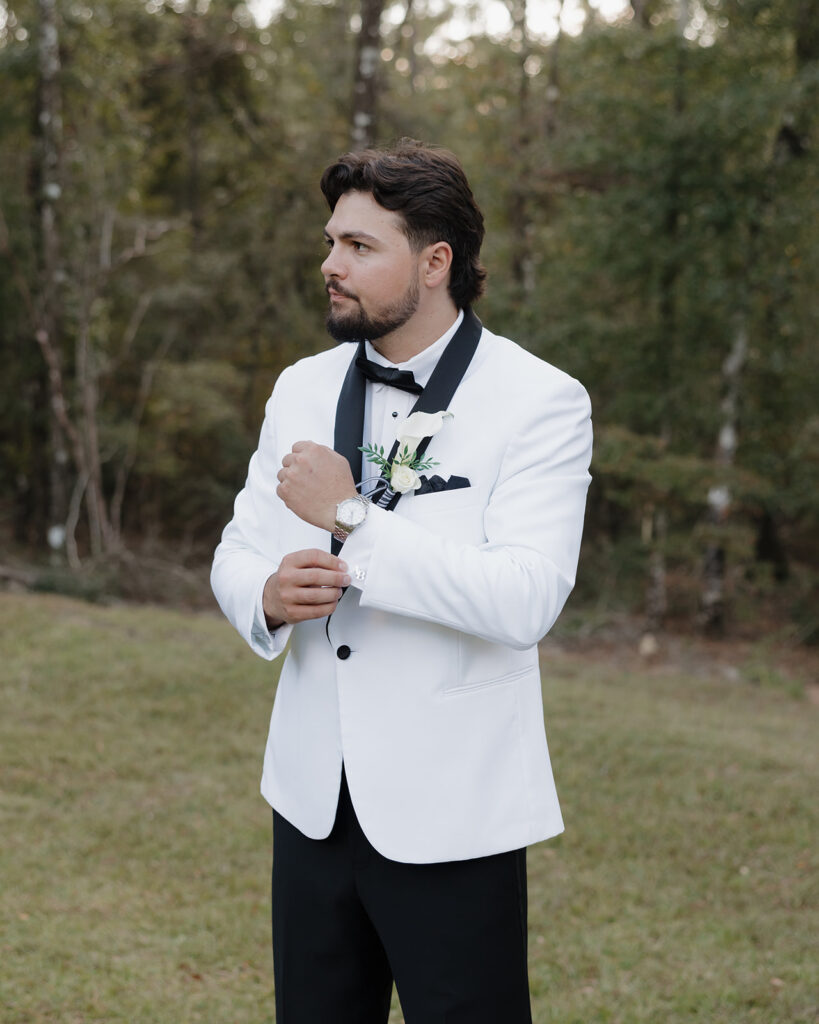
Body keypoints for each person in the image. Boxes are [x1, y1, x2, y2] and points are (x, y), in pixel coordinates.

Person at [211, 139, 593, 1024]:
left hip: (453, 812)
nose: (328, 265)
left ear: (435, 262)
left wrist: (352, 521)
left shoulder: (539, 400)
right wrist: (264, 598)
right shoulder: (300, 386)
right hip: (310, 806)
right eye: (330, 241)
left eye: (357, 247)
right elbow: (237, 549)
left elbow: (526, 598)